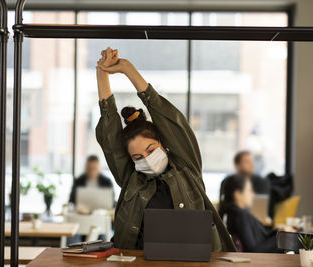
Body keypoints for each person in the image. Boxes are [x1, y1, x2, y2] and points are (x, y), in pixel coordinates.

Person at [95, 47, 235, 251]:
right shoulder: (130, 179)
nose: (147, 159)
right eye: (138, 157)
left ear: (163, 142)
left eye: (151, 150)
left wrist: (127, 69)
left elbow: (172, 121)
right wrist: (102, 71)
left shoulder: (187, 168)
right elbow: (110, 135)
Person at [218, 174, 295, 253]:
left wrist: (280, 232)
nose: (253, 194)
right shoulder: (240, 215)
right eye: (250, 190)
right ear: (238, 194)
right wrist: (284, 237)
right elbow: (254, 250)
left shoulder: (237, 213)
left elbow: (261, 240)